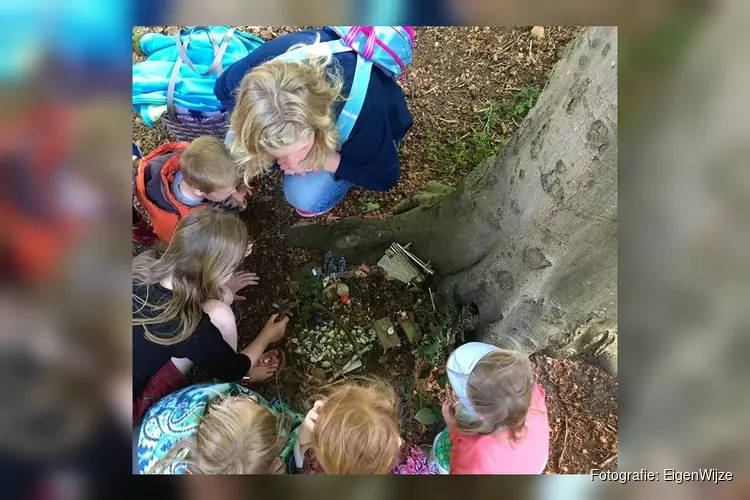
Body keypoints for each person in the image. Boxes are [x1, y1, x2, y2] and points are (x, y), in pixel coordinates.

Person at [214, 28, 413, 217]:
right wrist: (240, 175)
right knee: (232, 148)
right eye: (279, 154)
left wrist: (325, 160)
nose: (290, 164)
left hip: (369, 123)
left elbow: (384, 178)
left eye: (301, 147)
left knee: (303, 195)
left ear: (319, 122)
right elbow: (222, 92)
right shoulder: (238, 80)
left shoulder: (363, 121)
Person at [132, 209, 287, 422]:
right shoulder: (188, 326)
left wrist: (223, 288)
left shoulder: (143, 265)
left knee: (223, 299)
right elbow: (231, 369)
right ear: (217, 272)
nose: (231, 273)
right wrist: (267, 336)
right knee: (221, 313)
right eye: (231, 268)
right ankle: (242, 382)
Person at [430, 343, 550, 474]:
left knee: (441, 451)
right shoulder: (530, 394)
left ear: (481, 414)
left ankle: (434, 467)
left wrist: (453, 427)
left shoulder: (476, 449)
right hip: (531, 464)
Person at [136, 382, 304, 474]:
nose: (252, 395)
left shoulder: (193, 410)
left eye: (241, 399)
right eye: (251, 401)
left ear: (204, 423)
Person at [291, 377, 434, 474]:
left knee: (299, 449)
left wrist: (307, 426)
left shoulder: (317, 470)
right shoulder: (411, 464)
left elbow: (304, 445)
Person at [133, 135, 250, 244]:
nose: (234, 191)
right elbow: (185, 246)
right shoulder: (176, 225)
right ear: (199, 191)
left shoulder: (197, 166)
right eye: (230, 190)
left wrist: (235, 199)